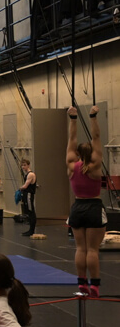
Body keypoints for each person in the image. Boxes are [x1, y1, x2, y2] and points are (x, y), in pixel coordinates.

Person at [66, 105, 106, 297]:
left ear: (78, 154)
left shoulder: (72, 165)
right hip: (93, 207)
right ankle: (95, 285)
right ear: (92, 153)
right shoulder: (95, 166)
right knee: (92, 250)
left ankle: (81, 282)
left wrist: (73, 119)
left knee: (80, 248)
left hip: (78, 207)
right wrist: (93, 116)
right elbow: (97, 138)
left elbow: (71, 139)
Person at [18, 159, 37, 237]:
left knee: (31, 211)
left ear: (28, 165)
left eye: (25, 165)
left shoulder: (30, 174)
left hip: (29, 194)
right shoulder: (27, 174)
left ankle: (32, 230)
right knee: (29, 212)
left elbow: (25, 186)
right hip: (26, 194)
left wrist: (19, 189)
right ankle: (30, 230)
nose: (23, 167)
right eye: (22, 165)